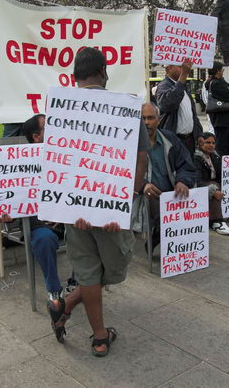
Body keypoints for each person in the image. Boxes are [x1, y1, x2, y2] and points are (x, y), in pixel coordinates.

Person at [51, 47, 149, 357]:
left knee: (89, 272)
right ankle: (99, 336)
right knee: (111, 269)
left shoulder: (60, 108)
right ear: (104, 72)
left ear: (74, 76)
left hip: (75, 209)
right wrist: (125, 200)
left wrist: (69, 209)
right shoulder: (126, 107)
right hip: (110, 212)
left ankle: (65, 304)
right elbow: (141, 158)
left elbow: (57, 160)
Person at [0, 113, 77, 343]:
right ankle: (54, 290)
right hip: (37, 224)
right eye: (49, 127)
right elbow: (12, 198)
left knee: (88, 233)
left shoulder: (68, 156)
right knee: (44, 239)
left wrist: (62, 216)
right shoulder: (20, 164)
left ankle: (75, 281)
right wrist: (5, 213)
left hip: (67, 220)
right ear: (36, 136)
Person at [142, 102, 198, 245]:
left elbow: (186, 165)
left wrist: (182, 181)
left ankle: (170, 242)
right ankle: (161, 238)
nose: (146, 122)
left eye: (150, 118)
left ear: (159, 119)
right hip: (147, 195)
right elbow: (124, 174)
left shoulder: (170, 139)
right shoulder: (130, 143)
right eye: (142, 118)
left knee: (195, 208)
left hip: (172, 192)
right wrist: (143, 185)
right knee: (163, 214)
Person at [194, 132, 229, 235]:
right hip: (199, 188)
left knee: (227, 183)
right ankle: (217, 221)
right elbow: (196, 181)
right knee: (214, 187)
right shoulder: (196, 158)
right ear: (200, 144)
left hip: (213, 184)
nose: (211, 145)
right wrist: (213, 191)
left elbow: (224, 174)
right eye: (208, 142)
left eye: (213, 143)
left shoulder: (215, 157)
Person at [155, 60, 203, 155]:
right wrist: (184, 75)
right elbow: (167, 104)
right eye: (180, 67)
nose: (185, 69)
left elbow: (192, 115)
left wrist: (199, 134)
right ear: (169, 68)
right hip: (174, 140)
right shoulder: (164, 86)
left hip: (188, 141)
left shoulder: (182, 86)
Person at [205, 61, 229, 156]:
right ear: (218, 71)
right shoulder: (215, 84)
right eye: (222, 69)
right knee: (223, 147)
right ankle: (221, 167)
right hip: (222, 120)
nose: (223, 71)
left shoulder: (220, 81)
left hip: (227, 120)